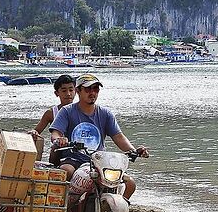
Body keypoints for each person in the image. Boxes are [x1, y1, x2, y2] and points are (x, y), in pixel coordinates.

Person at [49, 73, 149, 201]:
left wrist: (133, 151)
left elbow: (118, 136)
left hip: (99, 161)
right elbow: (55, 132)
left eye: (95, 89)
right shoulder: (67, 111)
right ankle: (64, 209)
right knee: (66, 171)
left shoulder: (105, 114)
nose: (92, 93)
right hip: (73, 159)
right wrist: (59, 139)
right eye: (88, 89)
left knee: (130, 184)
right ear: (78, 91)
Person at [31, 74, 75, 164]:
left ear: (76, 91)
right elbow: (37, 131)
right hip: (59, 153)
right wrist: (33, 133)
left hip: (78, 152)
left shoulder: (82, 110)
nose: (68, 94)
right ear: (56, 93)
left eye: (71, 90)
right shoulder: (51, 113)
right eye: (64, 91)